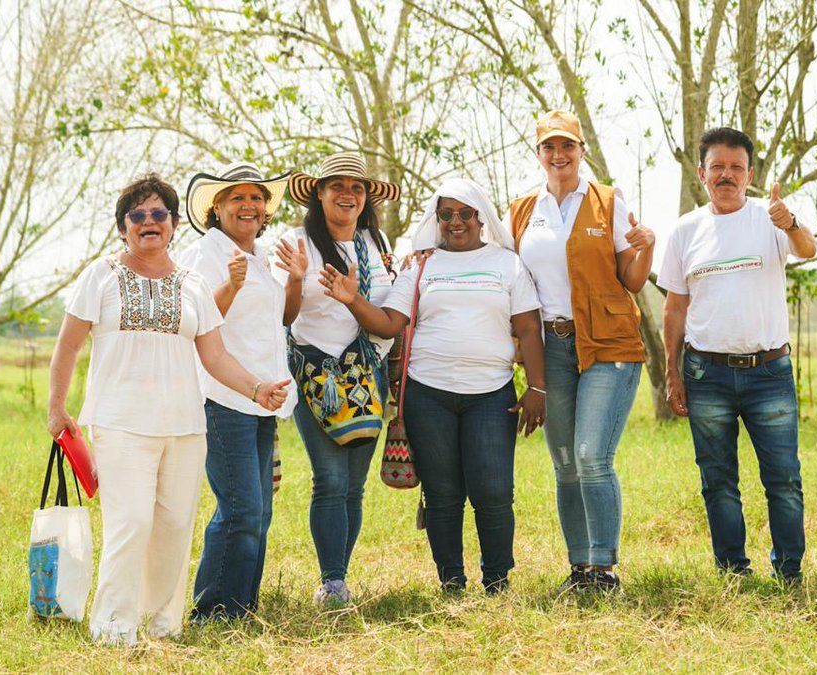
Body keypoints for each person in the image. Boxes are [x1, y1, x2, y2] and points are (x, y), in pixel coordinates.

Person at [46, 173, 290, 645]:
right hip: (120, 423)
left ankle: (162, 623)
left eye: (159, 214)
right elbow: (68, 346)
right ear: (123, 228)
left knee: (175, 526)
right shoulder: (101, 275)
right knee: (131, 521)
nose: (149, 223)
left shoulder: (194, 284)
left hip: (184, 426)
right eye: (137, 216)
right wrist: (57, 409)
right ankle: (114, 626)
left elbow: (214, 356)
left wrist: (257, 388)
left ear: (175, 224)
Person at [319, 178, 546, 594]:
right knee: (442, 494)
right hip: (428, 394)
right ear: (436, 219)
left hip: (491, 393)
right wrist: (352, 300)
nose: (455, 222)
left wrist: (537, 388)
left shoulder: (507, 264)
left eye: (465, 214)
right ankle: (452, 581)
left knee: (493, 491)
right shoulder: (420, 266)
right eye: (446, 215)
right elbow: (390, 323)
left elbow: (529, 329)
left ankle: (497, 579)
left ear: (480, 217)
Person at [658, 127, 817, 584]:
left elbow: (807, 248)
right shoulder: (686, 230)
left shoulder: (770, 218)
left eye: (736, 167)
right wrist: (673, 373)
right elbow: (675, 307)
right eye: (718, 167)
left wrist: (789, 222)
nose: (727, 175)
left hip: (769, 372)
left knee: (784, 480)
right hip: (707, 373)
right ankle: (733, 571)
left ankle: (789, 572)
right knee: (718, 481)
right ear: (702, 173)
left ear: (750, 173)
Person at [506, 110, 656, 591]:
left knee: (593, 455)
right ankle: (580, 568)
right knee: (566, 460)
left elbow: (631, 279)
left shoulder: (607, 201)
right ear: (539, 155)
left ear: (582, 151)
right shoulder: (523, 209)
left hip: (607, 343)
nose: (559, 155)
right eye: (549, 147)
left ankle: (605, 568)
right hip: (550, 346)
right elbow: (509, 277)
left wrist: (646, 247)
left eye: (567, 145)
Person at [274, 152, 400, 607]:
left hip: (367, 374)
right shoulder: (297, 242)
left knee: (353, 483)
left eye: (357, 187)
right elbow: (284, 317)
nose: (347, 194)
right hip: (316, 374)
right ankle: (331, 581)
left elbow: (393, 309)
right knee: (329, 478)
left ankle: (339, 577)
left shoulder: (378, 243)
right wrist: (294, 281)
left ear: (366, 198)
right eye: (336, 186)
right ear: (319, 194)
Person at [179, 162, 301, 622]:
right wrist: (230, 284)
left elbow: (278, 322)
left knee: (260, 512)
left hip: (263, 398)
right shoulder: (203, 255)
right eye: (237, 198)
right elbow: (196, 321)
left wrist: (295, 278)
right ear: (217, 208)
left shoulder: (264, 255)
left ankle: (243, 606)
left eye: (256, 198)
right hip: (223, 397)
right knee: (240, 509)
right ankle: (212, 610)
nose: (249, 205)